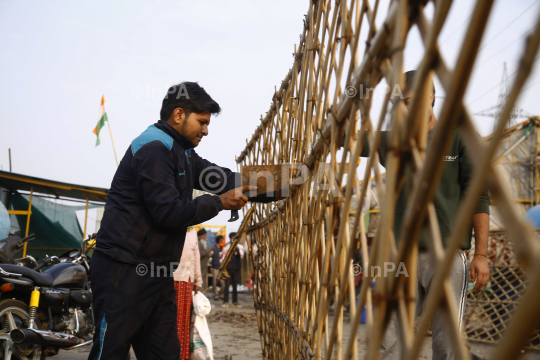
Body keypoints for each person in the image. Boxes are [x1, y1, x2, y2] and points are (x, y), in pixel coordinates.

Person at [88, 81, 254, 360]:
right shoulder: (154, 147)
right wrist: (218, 202)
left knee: (163, 353)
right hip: (124, 270)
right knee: (110, 352)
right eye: (201, 122)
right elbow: (168, 213)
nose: (206, 130)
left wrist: (271, 184)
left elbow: (218, 177)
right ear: (179, 114)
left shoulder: (183, 152)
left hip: (158, 273)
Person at [356, 71, 490, 360]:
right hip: (400, 255)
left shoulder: (459, 137)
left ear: (431, 97)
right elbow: (346, 137)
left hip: (446, 254)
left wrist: (481, 254)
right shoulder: (390, 141)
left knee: (447, 342)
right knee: (387, 339)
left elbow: (477, 195)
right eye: (401, 103)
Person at [173, 228, 202, 360]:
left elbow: (196, 257)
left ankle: (183, 356)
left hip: (188, 282)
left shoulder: (193, 232)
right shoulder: (173, 226)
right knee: (173, 321)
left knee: (184, 321)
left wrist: (198, 280)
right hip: (172, 279)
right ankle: (172, 354)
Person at [221, 232, 244, 308]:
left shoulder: (240, 247)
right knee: (226, 286)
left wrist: (236, 247)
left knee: (235, 286)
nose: (233, 239)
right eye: (232, 238)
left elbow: (242, 255)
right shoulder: (227, 247)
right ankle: (225, 301)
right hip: (228, 269)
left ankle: (235, 301)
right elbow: (222, 258)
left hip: (236, 269)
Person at [211, 235, 224, 300]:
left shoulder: (222, 248)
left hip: (221, 268)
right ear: (219, 240)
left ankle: (220, 294)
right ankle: (215, 295)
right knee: (214, 282)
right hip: (215, 267)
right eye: (221, 240)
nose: (222, 241)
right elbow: (210, 258)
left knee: (223, 283)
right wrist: (211, 267)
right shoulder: (214, 247)